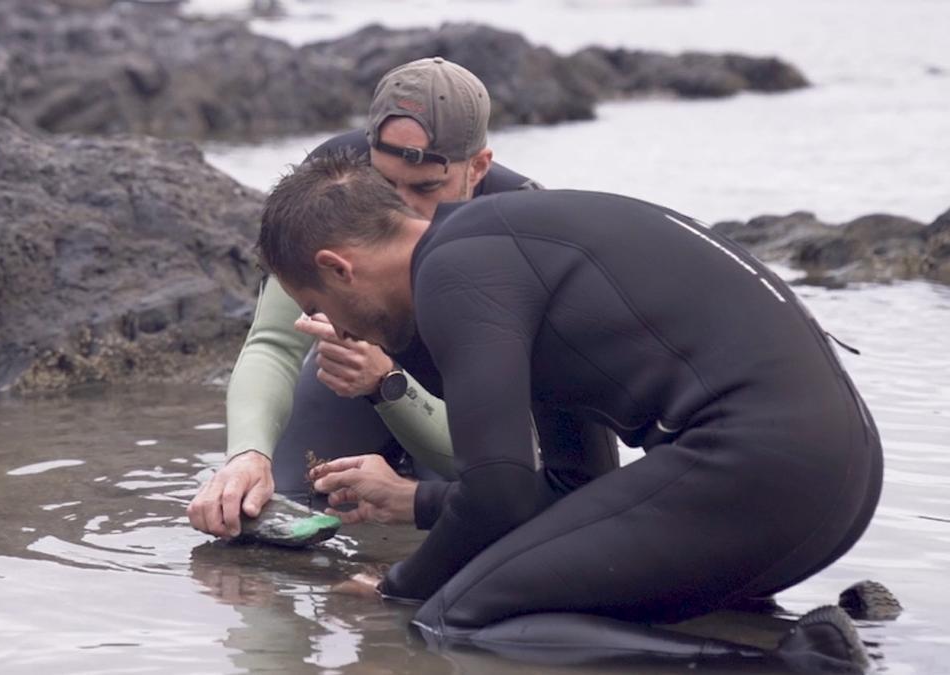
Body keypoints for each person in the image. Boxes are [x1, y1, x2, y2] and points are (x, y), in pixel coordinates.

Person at [254, 151, 883, 658]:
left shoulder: (453, 272)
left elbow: (497, 494)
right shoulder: (503, 248)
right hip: (832, 480)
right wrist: (421, 502)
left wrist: (396, 589)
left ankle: (785, 664)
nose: (329, 327)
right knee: (528, 590)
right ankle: (823, 630)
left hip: (758, 468)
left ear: (338, 269)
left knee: (453, 615)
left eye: (315, 308)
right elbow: (570, 488)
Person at [188, 57, 617, 538]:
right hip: (350, 385)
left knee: (474, 524)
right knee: (268, 513)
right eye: (383, 183)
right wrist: (247, 454)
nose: (397, 209)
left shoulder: (519, 222)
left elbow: (509, 473)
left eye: (426, 187)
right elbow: (272, 342)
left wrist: (388, 384)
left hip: (456, 416)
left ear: (477, 168)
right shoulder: (334, 181)